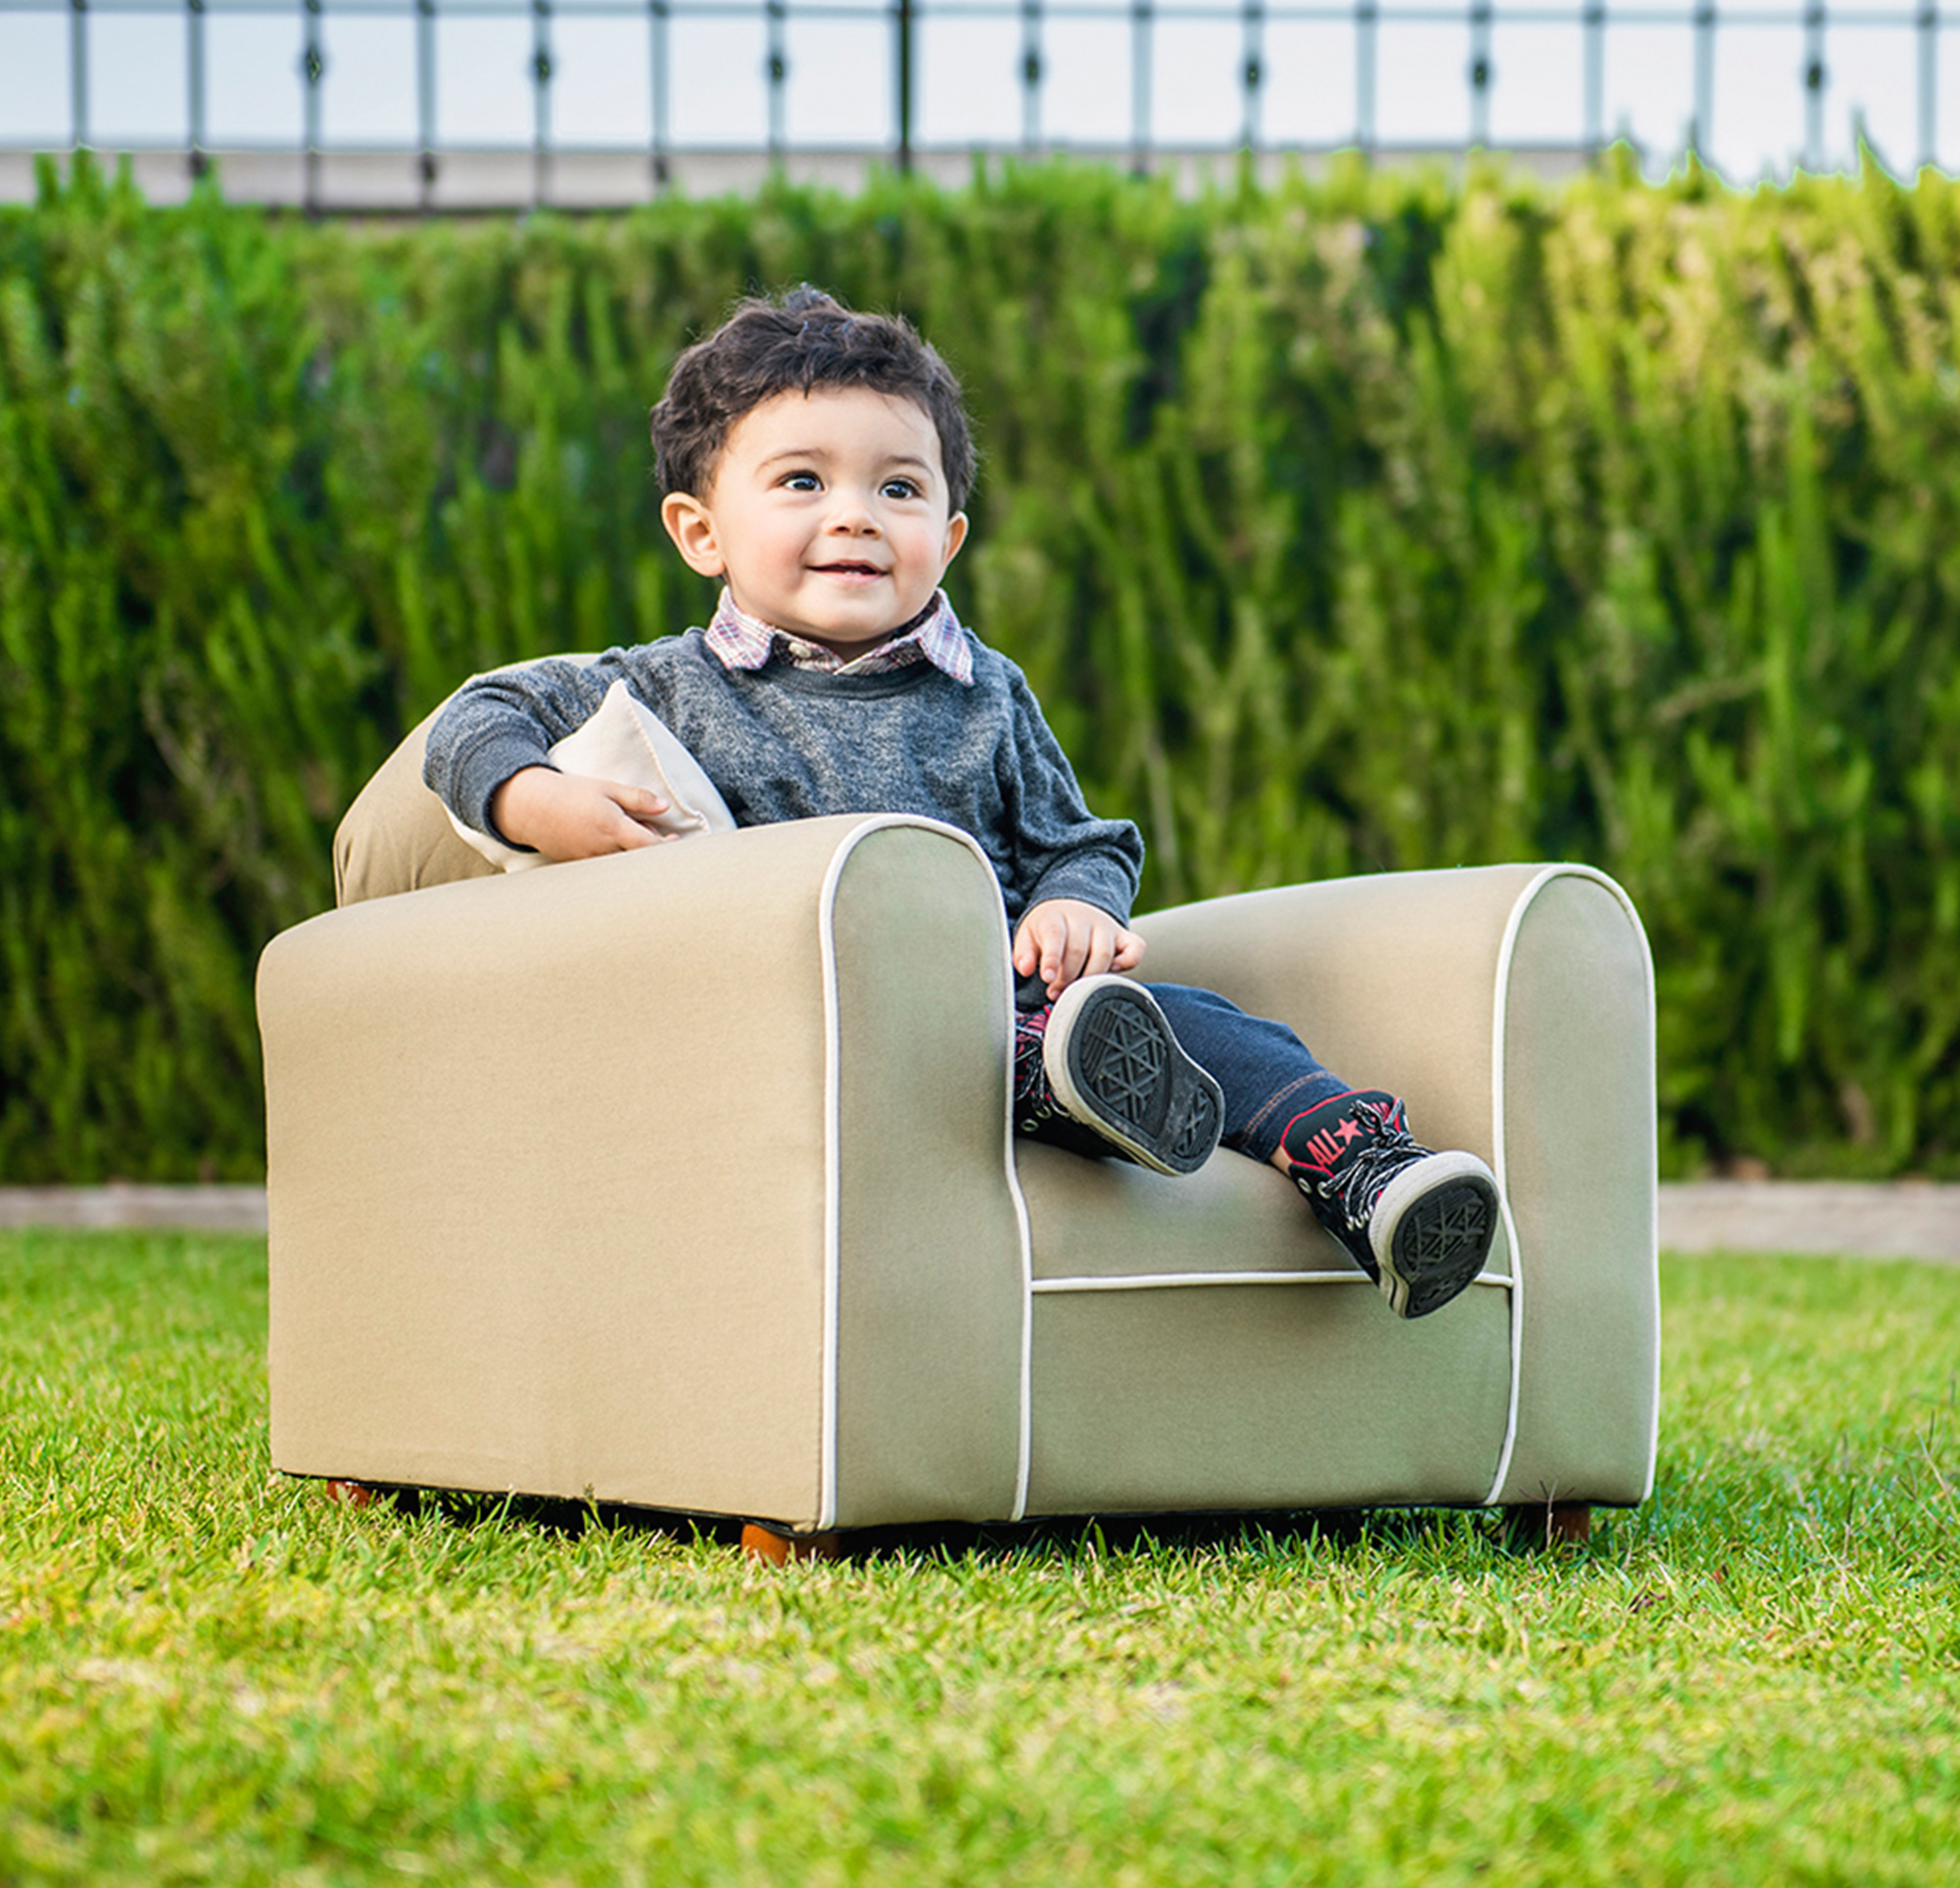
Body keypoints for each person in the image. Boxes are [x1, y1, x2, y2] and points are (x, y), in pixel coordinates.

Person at [423, 286, 1500, 1320]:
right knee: (1044, 1048)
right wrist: (531, 797)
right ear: (700, 530)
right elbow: (474, 714)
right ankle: (1092, 1090)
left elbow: (1081, 841)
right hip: (815, 1044)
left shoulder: (983, 691)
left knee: (1197, 1019)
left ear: (947, 536)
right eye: (802, 481)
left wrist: (1076, 905)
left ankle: (1369, 1170)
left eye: (899, 489)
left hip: (1004, 1009)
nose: (856, 515)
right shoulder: (662, 685)